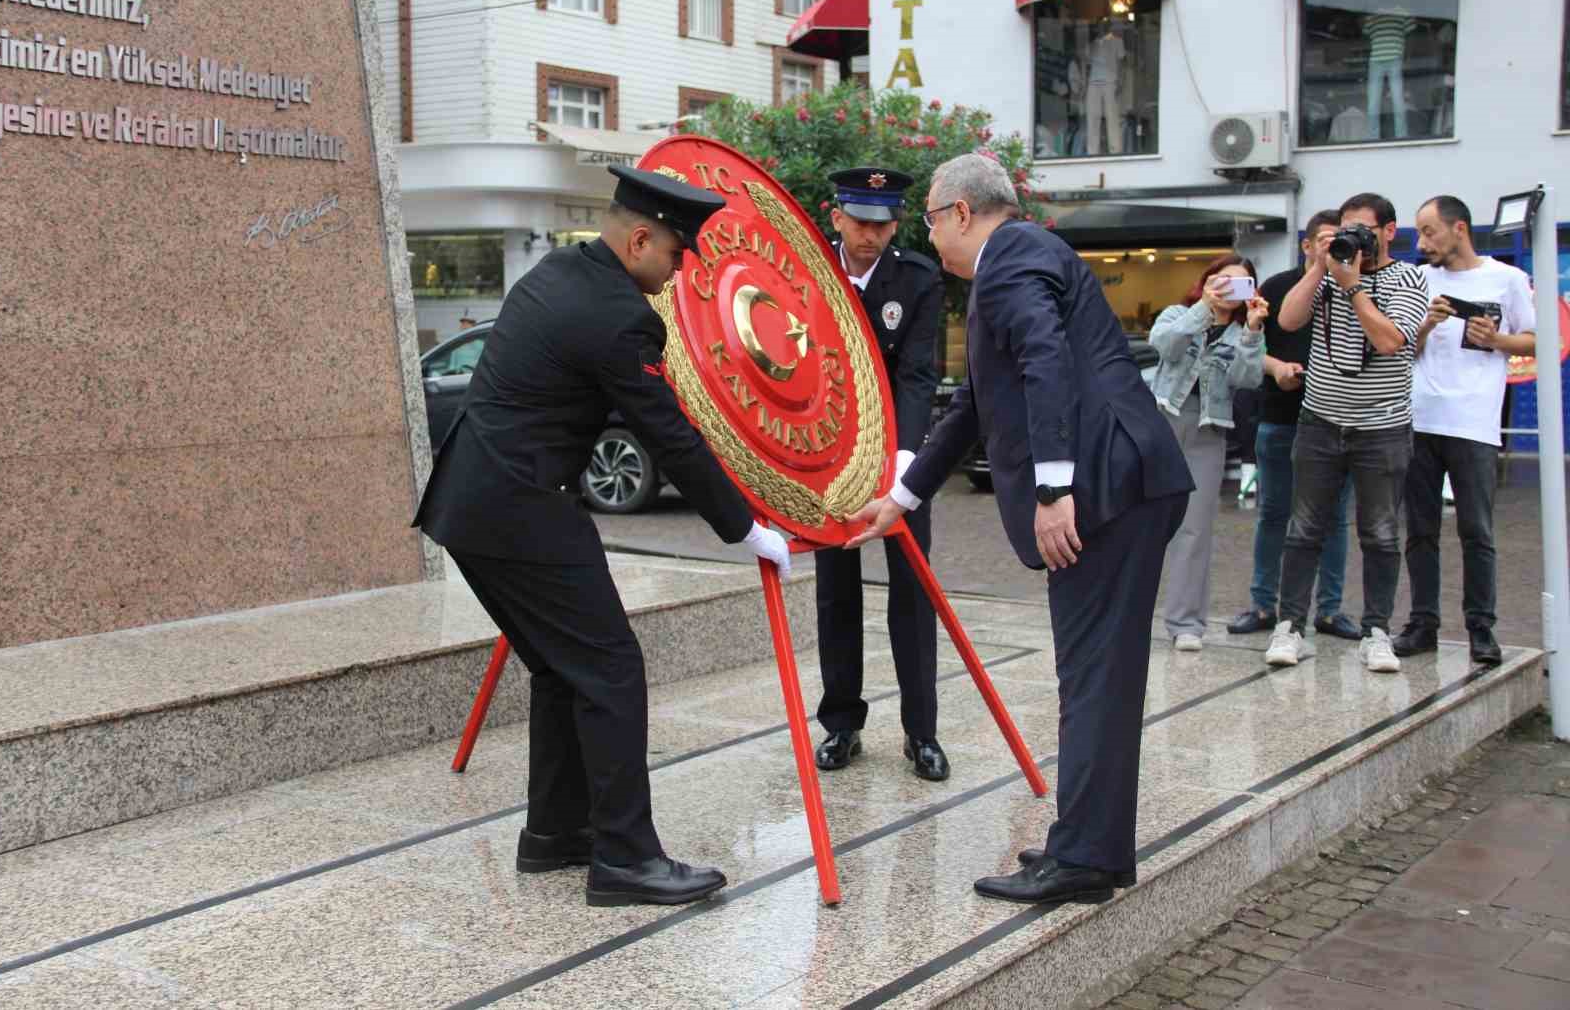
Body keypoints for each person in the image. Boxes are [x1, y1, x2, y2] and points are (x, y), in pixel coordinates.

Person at [413, 165, 792, 908]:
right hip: (522, 509)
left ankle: (555, 835)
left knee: (564, 669)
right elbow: (670, 437)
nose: (680, 271)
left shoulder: (560, 271)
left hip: (471, 505)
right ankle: (625, 858)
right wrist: (746, 529)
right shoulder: (620, 315)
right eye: (678, 255)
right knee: (612, 669)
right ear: (641, 238)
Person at [846, 153, 1193, 907]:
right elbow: (972, 405)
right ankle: (1090, 848)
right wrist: (901, 499)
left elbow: (1045, 360)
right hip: (1125, 482)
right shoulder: (1023, 258)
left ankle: (1083, 859)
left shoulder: (1010, 265)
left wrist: (1053, 488)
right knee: (1095, 674)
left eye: (933, 219)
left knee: (1095, 676)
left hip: (1107, 489)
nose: (930, 237)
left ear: (963, 213)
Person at [812, 167, 949, 781]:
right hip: (828, 457)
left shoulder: (916, 278)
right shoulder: (809, 272)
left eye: (884, 224)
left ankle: (921, 733)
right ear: (835, 216)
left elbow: (919, 374)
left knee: (912, 593)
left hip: (899, 455)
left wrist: (904, 467)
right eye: (861, 222)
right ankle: (842, 724)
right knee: (835, 592)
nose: (871, 236)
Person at [1266, 193, 1429, 672]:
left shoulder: (1408, 277)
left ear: (1390, 231)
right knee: (1303, 529)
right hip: (1319, 422)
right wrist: (1320, 266)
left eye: (1364, 229)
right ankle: (1290, 626)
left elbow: (1390, 340)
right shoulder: (1329, 275)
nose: (1355, 239)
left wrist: (1355, 285)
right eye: (1347, 230)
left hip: (1382, 428)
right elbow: (1288, 319)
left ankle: (1376, 631)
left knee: (1379, 533)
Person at [1393, 195, 1537, 665]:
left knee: (1477, 530)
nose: (1424, 241)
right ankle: (1422, 623)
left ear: (1459, 229)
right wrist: (1424, 326)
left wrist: (1495, 340)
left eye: (1430, 230)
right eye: (1420, 232)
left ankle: (1481, 627)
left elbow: (1534, 340)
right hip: (1420, 418)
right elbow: (1398, 350)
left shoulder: (1508, 279)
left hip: (1474, 422)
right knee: (1420, 529)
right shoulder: (1419, 280)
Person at [1229, 213, 1360, 642]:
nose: (1329, 248)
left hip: (1336, 422)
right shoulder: (1278, 287)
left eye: (1337, 240)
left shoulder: (1352, 286)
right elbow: (1248, 345)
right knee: (1273, 515)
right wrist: (1277, 367)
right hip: (1281, 416)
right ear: (1306, 246)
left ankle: (1329, 609)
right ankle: (1264, 603)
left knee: (1336, 519)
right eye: (1323, 240)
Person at [1148, 254, 1267, 651]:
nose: (1230, 288)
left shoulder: (1242, 333)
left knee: (1194, 529)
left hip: (1207, 430)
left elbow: (1247, 380)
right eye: (1223, 279)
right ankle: (1120, 612)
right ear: (1207, 281)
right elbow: (1165, 345)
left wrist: (1252, 331)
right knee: (1137, 525)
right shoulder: (1177, 313)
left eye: (1241, 283)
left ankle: (1186, 624)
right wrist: (1203, 309)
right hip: (1160, 422)